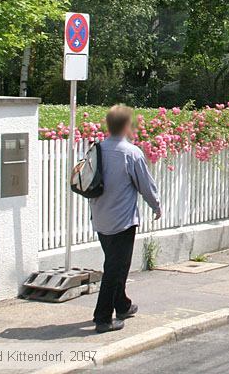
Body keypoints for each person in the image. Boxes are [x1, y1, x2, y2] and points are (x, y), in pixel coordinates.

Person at [90, 105, 162, 333]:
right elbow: (146, 186)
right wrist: (157, 206)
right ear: (126, 126)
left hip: (100, 218)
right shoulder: (131, 153)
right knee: (115, 268)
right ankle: (103, 318)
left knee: (117, 264)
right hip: (122, 221)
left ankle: (122, 305)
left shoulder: (97, 149)